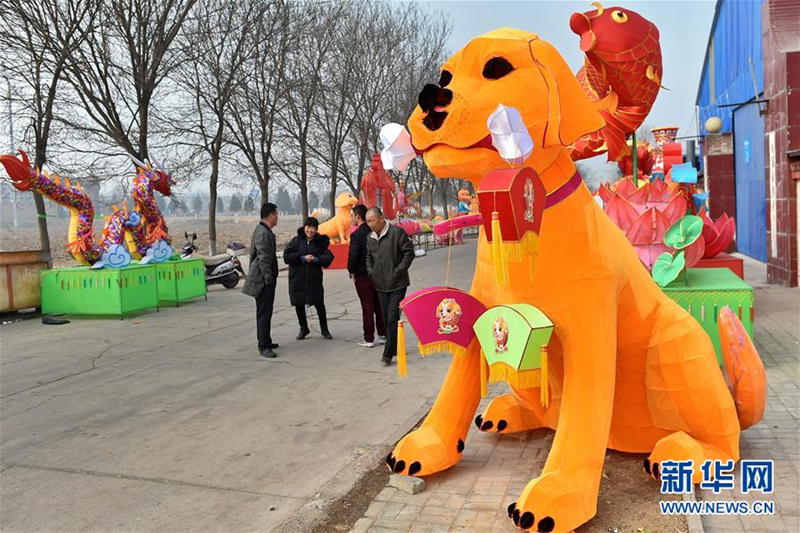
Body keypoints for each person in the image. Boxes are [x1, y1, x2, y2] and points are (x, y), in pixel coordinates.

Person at [365, 207, 415, 365]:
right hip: (380, 284)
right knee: (387, 319)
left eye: (372, 220)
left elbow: (409, 253)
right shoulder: (370, 237)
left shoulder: (396, 233)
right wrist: (371, 273)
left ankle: (387, 354)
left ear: (381, 218)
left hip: (397, 283)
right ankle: (394, 347)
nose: (370, 224)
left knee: (393, 317)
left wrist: (397, 272)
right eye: (367, 222)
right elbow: (368, 257)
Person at [283, 217, 334, 340]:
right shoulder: (296, 241)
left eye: (313, 228)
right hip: (297, 279)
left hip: (314, 280)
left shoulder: (320, 243)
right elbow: (286, 256)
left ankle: (324, 329)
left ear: (316, 229)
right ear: (304, 227)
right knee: (298, 304)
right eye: (308, 227)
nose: (310, 230)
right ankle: (303, 328)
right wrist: (301, 258)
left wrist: (316, 260)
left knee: (319, 304)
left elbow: (328, 257)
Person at [242, 202, 279, 358]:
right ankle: (263, 345)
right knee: (264, 312)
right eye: (276, 214)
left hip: (265, 279)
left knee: (265, 311)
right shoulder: (264, 233)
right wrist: (269, 278)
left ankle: (266, 339)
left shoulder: (263, 230)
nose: (278, 217)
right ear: (271, 215)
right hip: (263, 281)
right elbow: (264, 259)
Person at [348, 204, 386, 348]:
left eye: (352, 215)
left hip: (363, 276)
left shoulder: (356, 235)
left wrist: (351, 271)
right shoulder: (374, 232)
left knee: (367, 307)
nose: (351, 218)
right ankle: (383, 335)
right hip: (377, 274)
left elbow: (353, 256)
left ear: (357, 217)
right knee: (378, 305)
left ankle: (368, 338)